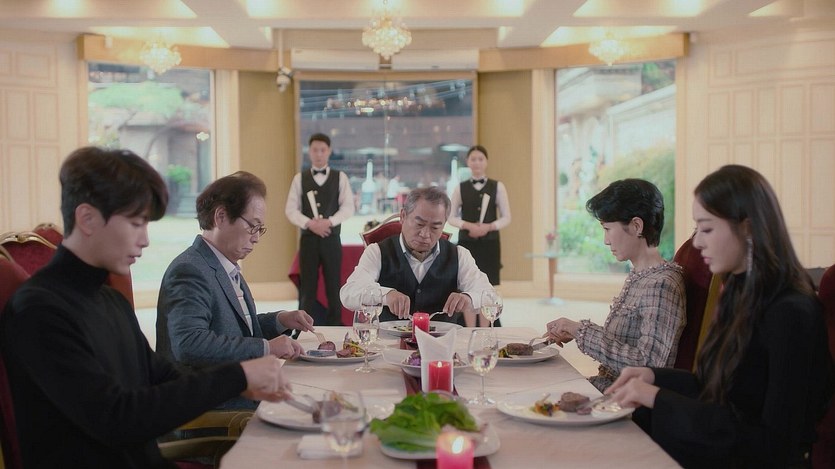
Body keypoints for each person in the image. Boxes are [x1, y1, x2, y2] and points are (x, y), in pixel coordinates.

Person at [0, 147, 290, 468]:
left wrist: (246, 382)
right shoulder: (39, 310)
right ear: (87, 218)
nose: (145, 240)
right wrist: (237, 376)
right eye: (136, 223)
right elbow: (117, 418)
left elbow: (164, 376)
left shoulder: (110, 300)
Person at [604, 165, 833, 468]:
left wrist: (657, 397)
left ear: (747, 228)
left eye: (707, 228)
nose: (697, 242)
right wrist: (653, 376)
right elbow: (717, 388)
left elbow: (773, 444)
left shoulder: (791, 313)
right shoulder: (739, 289)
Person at [157, 171, 313, 409]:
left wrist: (280, 320)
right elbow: (189, 344)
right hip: (210, 405)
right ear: (221, 216)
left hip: (236, 391)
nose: (256, 238)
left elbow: (233, 328)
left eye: (260, 229)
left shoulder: (222, 264)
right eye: (253, 226)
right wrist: (266, 348)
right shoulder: (190, 270)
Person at [545, 179, 686, 392]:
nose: (606, 240)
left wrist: (580, 331)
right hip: (610, 389)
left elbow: (648, 366)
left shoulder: (661, 285)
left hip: (622, 400)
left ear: (637, 226)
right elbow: (627, 342)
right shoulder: (641, 275)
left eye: (608, 229)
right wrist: (574, 331)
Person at [340, 186, 494, 327]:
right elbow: (348, 294)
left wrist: (468, 298)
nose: (425, 234)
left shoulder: (459, 255)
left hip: (442, 343)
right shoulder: (377, 252)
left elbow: (490, 297)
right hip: (388, 342)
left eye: (435, 227)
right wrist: (386, 296)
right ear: (403, 216)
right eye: (419, 224)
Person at [285, 133, 355, 325]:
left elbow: (348, 207)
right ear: (309, 152)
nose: (318, 154)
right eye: (315, 150)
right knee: (307, 287)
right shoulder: (300, 178)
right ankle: (303, 326)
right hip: (308, 240)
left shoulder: (340, 178)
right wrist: (310, 224)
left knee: (334, 285)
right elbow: (290, 210)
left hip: (332, 239)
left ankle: (336, 326)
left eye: (322, 150)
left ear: (329, 151)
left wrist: (329, 222)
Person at [448, 145, 511, 326]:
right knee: (466, 284)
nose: (477, 163)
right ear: (467, 162)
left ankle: (485, 329)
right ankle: (468, 329)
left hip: (489, 244)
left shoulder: (497, 186)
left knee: (487, 287)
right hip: (467, 243)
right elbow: (450, 217)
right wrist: (467, 225)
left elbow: (506, 217)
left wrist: (489, 227)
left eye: (480, 159)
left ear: (486, 162)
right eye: (473, 159)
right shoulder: (460, 188)